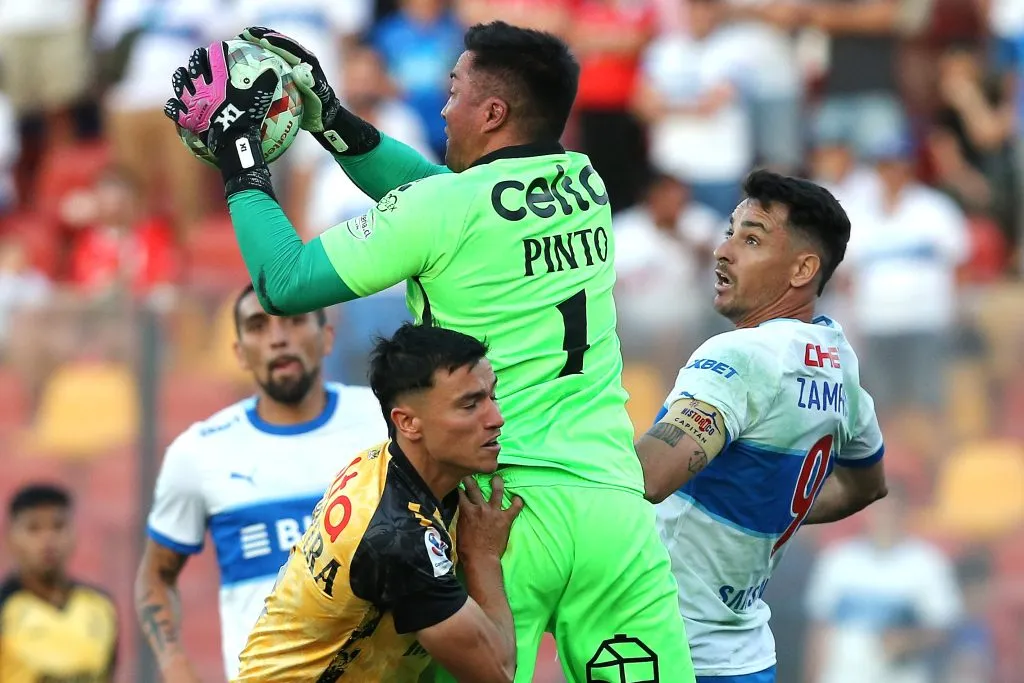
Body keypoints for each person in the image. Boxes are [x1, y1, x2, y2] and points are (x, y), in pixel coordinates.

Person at [165, 20, 694, 682]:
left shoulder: (444, 210)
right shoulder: (583, 182)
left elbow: (284, 282)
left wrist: (241, 159)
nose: (443, 109)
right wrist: (329, 119)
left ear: (492, 112)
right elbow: (432, 191)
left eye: (454, 91)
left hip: (493, 512)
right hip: (612, 505)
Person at [637, 170, 890, 683]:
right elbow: (867, 486)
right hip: (747, 658)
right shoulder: (838, 363)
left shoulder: (743, 354)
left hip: (667, 651)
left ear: (802, 269)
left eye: (751, 240)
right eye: (729, 232)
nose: (722, 251)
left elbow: (648, 478)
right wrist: (765, 508)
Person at [235, 322, 522, 682]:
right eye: (469, 405)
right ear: (408, 423)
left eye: (492, 396)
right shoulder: (396, 539)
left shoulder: (381, 461)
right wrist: (483, 557)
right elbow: (497, 672)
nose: (496, 419)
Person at [135, 284, 387, 681]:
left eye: (295, 320)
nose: (278, 338)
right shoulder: (199, 451)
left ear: (327, 337)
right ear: (239, 352)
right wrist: (175, 665)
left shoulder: (385, 422)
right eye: (258, 326)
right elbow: (156, 574)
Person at [1, 484, 118, 682]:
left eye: (58, 526)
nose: (48, 540)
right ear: (11, 537)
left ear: (74, 533)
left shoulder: (100, 606)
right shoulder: (6, 608)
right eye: (33, 529)